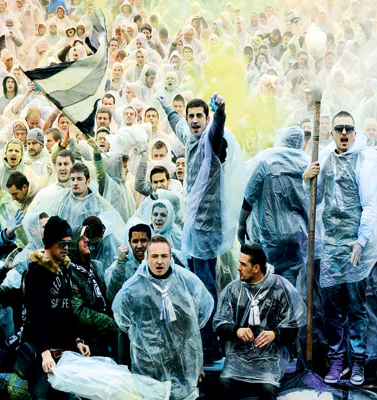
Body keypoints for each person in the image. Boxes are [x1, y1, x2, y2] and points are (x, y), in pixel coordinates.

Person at [303, 110, 377, 385]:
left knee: (356, 308)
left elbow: (369, 206)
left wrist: (361, 241)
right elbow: (316, 202)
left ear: (355, 133)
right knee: (331, 308)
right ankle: (336, 361)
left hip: (355, 247)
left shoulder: (362, 161)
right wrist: (307, 181)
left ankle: (358, 364)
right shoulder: (326, 159)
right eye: (338, 128)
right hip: (331, 245)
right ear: (332, 133)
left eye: (348, 129)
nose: (343, 133)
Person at [157, 93, 244, 364]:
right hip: (192, 228)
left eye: (199, 116)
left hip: (209, 228)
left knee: (206, 287)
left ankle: (211, 344)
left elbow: (218, 128)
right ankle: (207, 341)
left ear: (206, 119)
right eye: (190, 116)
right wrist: (167, 108)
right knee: (196, 287)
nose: (194, 121)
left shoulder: (210, 140)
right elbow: (177, 124)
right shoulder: (188, 137)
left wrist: (221, 111)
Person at [112, 235, 214, 400]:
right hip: (148, 364)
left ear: (170, 257)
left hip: (181, 361)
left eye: (164, 256)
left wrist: (196, 364)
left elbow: (196, 324)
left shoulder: (186, 282)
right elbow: (124, 326)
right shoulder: (133, 288)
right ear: (147, 258)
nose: (159, 261)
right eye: (154, 256)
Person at [215, 244, 305, 400]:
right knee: (224, 382)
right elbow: (219, 324)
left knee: (268, 388)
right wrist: (236, 330)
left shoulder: (279, 288)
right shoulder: (234, 289)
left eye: (243, 264)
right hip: (238, 355)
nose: (238, 268)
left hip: (269, 358)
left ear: (256, 268)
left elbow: (293, 327)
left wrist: (275, 334)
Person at [22, 216, 91, 400]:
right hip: (42, 359)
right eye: (62, 243)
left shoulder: (64, 269)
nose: (66, 248)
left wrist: (77, 340)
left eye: (68, 244)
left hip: (65, 355)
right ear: (51, 242)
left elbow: (68, 311)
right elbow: (35, 315)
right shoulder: (36, 272)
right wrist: (44, 352)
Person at [238, 126, 310, 286]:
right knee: (288, 285)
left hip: (268, 237)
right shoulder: (307, 163)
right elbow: (316, 199)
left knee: (264, 283)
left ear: (281, 139)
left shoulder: (265, 161)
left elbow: (249, 196)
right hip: (295, 237)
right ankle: (284, 309)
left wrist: (241, 224)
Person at [67, 226, 116, 357]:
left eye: (87, 236)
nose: (87, 240)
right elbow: (79, 311)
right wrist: (110, 323)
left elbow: (107, 296)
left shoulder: (96, 266)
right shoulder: (68, 273)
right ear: (72, 244)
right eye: (82, 238)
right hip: (88, 342)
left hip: (108, 338)